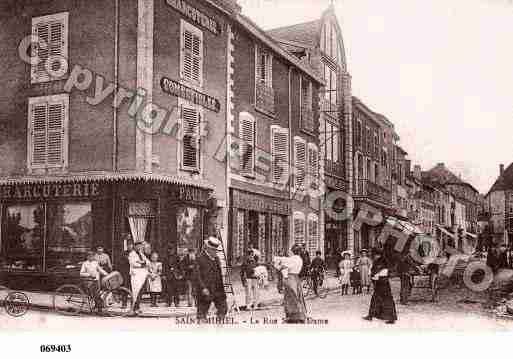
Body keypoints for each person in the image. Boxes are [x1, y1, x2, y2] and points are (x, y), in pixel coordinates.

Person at [192, 237, 227, 322]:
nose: (216, 252)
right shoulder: (200, 258)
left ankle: (219, 329)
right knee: (202, 312)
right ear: (208, 249)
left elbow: (219, 274)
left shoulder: (216, 259)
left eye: (216, 250)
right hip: (205, 290)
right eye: (214, 250)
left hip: (218, 290)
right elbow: (197, 276)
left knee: (223, 308)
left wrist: (222, 288)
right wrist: (203, 288)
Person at [273, 244, 307, 323]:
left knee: (290, 296)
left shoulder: (293, 259)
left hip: (290, 278)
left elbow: (283, 264)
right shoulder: (299, 259)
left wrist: (278, 266)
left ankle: (293, 316)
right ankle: (300, 315)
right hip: (296, 278)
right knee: (297, 296)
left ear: (293, 251)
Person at [363, 248, 397, 324]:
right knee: (375, 299)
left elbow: (385, 271)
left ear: (379, 254)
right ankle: (371, 315)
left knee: (387, 300)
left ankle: (391, 318)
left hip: (383, 283)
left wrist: (376, 276)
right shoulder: (377, 261)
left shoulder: (383, 261)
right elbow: (373, 269)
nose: (374, 256)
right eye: (374, 255)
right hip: (379, 283)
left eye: (375, 255)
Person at [129, 241, 150, 314]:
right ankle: (133, 308)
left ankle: (137, 307)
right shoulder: (132, 254)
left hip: (142, 274)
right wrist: (142, 264)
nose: (139, 247)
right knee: (135, 291)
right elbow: (133, 263)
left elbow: (148, 262)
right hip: (136, 274)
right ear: (134, 246)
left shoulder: (141, 254)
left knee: (140, 291)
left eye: (140, 246)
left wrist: (142, 262)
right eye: (137, 246)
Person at [120, 237, 134, 308]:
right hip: (126, 273)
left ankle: (133, 304)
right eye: (128, 245)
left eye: (131, 245)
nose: (130, 246)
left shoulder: (135, 254)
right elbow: (121, 263)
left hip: (133, 274)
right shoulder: (124, 253)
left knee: (133, 289)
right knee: (125, 289)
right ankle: (124, 303)